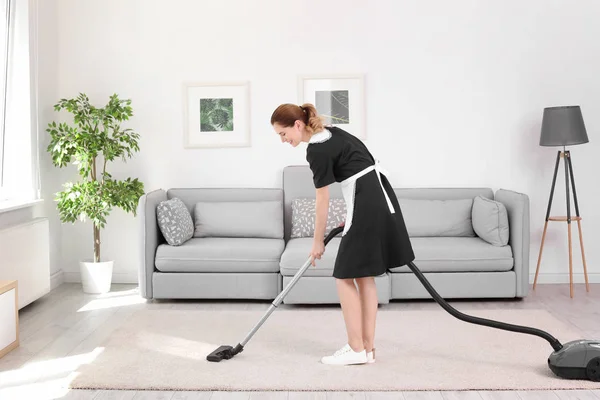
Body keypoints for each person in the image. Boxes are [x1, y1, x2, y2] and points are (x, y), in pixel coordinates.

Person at [271, 103, 415, 366]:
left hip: (367, 200)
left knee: (343, 275)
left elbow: (322, 199)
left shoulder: (316, 149)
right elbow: (358, 172)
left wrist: (317, 242)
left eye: (283, 133)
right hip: (375, 197)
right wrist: (353, 214)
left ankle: (355, 348)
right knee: (363, 275)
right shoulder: (332, 133)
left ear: (298, 125)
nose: (283, 140)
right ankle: (367, 349)